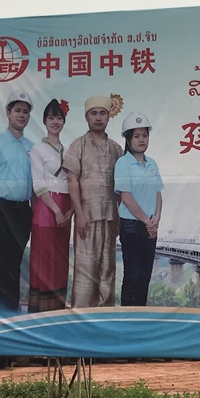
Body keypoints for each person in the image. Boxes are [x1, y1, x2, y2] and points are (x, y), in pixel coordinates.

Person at [63, 94, 124, 308]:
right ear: (86, 117)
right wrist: (79, 214)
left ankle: (104, 317)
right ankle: (80, 317)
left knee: (107, 269)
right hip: (86, 217)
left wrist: (118, 216)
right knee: (85, 269)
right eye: (93, 113)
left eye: (102, 113)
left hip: (109, 216)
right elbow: (72, 180)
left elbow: (120, 187)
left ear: (108, 117)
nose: (98, 118)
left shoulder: (116, 149)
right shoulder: (77, 145)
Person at [0, 90, 34, 312]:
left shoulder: (33, 147)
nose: (21, 115)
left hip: (23, 211)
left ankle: (10, 316)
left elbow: (37, 185)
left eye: (25, 111)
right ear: (8, 113)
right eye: (17, 110)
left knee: (14, 265)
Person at [114, 112, 164, 306]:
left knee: (145, 278)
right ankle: (126, 324)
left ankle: (141, 320)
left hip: (151, 227)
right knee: (132, 276)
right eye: (137, 136)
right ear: (128, 139)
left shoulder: (152, 164)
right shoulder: (123, 163)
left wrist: (156, 218)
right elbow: (125, 197)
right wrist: (146, 221)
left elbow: (158, 194)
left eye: (145, 135)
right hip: (131, 227)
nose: (142, 140)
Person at [28, 99, 73, 313]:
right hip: (47, 209)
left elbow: (73, 182)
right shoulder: (37, 150)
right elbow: (38, 184)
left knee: (61, 261)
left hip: (66, 209)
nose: (55, 122)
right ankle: (41, 314)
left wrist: (70, 211)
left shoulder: (68, 150)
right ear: (45, 121)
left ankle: (57, 310)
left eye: (59, 118)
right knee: (45, 261)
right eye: (51, 118)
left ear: (64, 121)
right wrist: (56, 210)